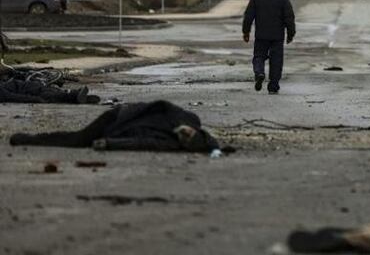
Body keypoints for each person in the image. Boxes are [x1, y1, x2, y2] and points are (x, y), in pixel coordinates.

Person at [9, 100, 220, 153]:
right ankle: (27, 139)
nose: (184, 134)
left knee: (79, 141)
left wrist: (110, 144)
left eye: (185, 139)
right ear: (195, 130)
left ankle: (28, 139)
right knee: (78, 140)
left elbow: (141, 143)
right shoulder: (188, 117)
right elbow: (161, 104)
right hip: (118, 117)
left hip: (118, 130)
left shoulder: (172, 144)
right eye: (189, 134)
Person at [243, 0, 296, 95]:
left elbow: (248, 17)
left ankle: (259, 72)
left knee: (258, 56)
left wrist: (246, 32)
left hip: (261, 35)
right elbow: (289, 18)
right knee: (276, 61)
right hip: (277, 36)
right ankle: (273, 86)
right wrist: (290, 34)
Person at [0, 78, 99, 104]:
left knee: (46, 90)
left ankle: (76, 97)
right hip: (21, 90)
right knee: (45, 95)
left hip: (19, 85)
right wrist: (35, 100)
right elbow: (10, 97)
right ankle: (73, 96)